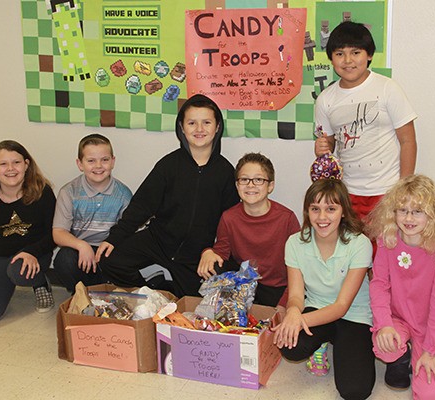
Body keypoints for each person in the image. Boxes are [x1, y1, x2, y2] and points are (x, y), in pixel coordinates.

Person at [95, 94, 240, 297]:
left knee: (205, 297)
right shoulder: (168, 165)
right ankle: (151, 291)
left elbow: (231, 220)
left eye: (206, 122)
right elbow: (141, 205)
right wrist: (115, 238)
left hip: (196, 252)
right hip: (159, 241)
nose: (199, 129)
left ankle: (169, 288)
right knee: (109, 259)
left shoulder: (224, 172)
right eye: (192, 123)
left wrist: (215, 251)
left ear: (217, 127)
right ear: (182, 127)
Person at [365, 175, 435, 399]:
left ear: (432, 215)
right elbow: (379, 284)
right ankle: (402, 358)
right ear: (393, 212)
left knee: (431, 395)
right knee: (385, 346)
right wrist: (384, 325)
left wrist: (431, 351)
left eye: (418, 211)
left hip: (426, 328)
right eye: (402, 210)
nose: (409, 218)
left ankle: (419, 354)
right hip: (397, 319)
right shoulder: (388, 239)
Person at [272, 179, 375, 400]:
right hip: (316, 307)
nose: (322, 217)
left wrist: (297, 321)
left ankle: (338, 344)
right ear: (307, 212)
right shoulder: (294, 243)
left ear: (344, 212)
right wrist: (292, 312)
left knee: (354, 391)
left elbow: (341, 306)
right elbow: (297, 295)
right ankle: (320, 344)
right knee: (290, 346)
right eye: (315, 209)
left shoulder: (360, 244)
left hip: (353, 315)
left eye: (331, 209)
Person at [314, 21, 418, 222]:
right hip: (346, 192)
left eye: (355, 52)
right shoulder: (325, 99)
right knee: (354, 251)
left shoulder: (387, 88)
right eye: (339, 54)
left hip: (387, 191)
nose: (347, 60)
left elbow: (408, 141)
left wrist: (403, 189)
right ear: (331, 59)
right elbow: (329, 146)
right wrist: (322, 147)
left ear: (369, 55)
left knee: (386, 251)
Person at [0, 140, 56, 325]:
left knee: (19, 273)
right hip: (0, 256)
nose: (11, 169)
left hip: (36, 253)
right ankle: (6, 279)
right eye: (3, 164)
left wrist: (31, 252)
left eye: (16, 162)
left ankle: (40, 283)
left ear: (26, 164)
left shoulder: (42, 192)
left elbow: (54, 234)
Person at [197, 152, 300, 308]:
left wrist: (285, 305)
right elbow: (221, 252)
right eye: (244, 180)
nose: (251, 185)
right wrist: (208, 252)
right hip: (244, 284)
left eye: (258, 180)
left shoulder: (287, 219)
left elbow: (299, 268)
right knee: (213, 268)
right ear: (237, 185)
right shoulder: (229, 217)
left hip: (277, 289)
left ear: (270, 186)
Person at [52, 133, 132, 294]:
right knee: (63, 259)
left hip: (109, 249)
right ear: (80, 164)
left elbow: (127, 232)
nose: (98, 166)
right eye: (91, 161)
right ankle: (82, 293)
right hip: (80, 251)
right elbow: (58, 233)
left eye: (104, 160)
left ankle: (99, 290)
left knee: (121, 261)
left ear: (113, 161)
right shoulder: (69, 192)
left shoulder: (123, 194)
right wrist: (82, 245)